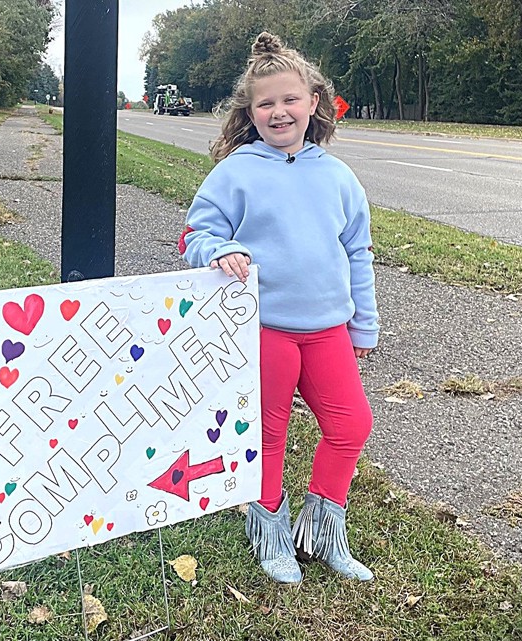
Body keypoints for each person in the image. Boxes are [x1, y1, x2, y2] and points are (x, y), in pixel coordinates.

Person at [178, 31, 378, 584]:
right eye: (265, 102)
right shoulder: (238, 170)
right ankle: (270, 532)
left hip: (328, 330)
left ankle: (322, 530)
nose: (279, 111)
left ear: (314, 102)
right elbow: (196, 233)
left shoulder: (337, 176)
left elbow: (357, 250)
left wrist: (364, 322)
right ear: (251, 110)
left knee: (351, 424)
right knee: (268, 433)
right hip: (264, 328)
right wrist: (221, 248)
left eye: (290, 99)